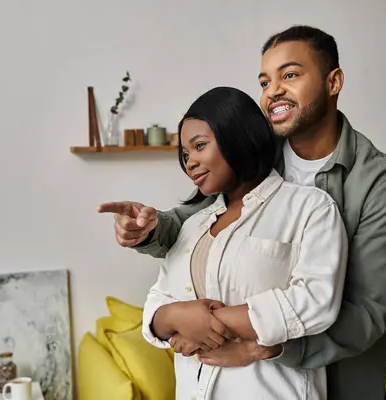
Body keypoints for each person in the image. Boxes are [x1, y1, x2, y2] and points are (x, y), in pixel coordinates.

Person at [99, 25, 386, 400]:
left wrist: (261, 345)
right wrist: (147, 230)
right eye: (264, 81)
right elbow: (195, 225)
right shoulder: (253, 150)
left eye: (289, 75)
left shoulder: (376, 181)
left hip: (342, 380)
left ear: (333, 81)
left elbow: (367, 310)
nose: (273, 90)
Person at [141, 85, 348, 399]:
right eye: (185, 155)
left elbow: (317, 301)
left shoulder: (311, 208)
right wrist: (173, 317)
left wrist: (207, 324)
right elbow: (158, 299)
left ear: (236, 136)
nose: (190, 162)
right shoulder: (194, 225)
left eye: (199, 146)